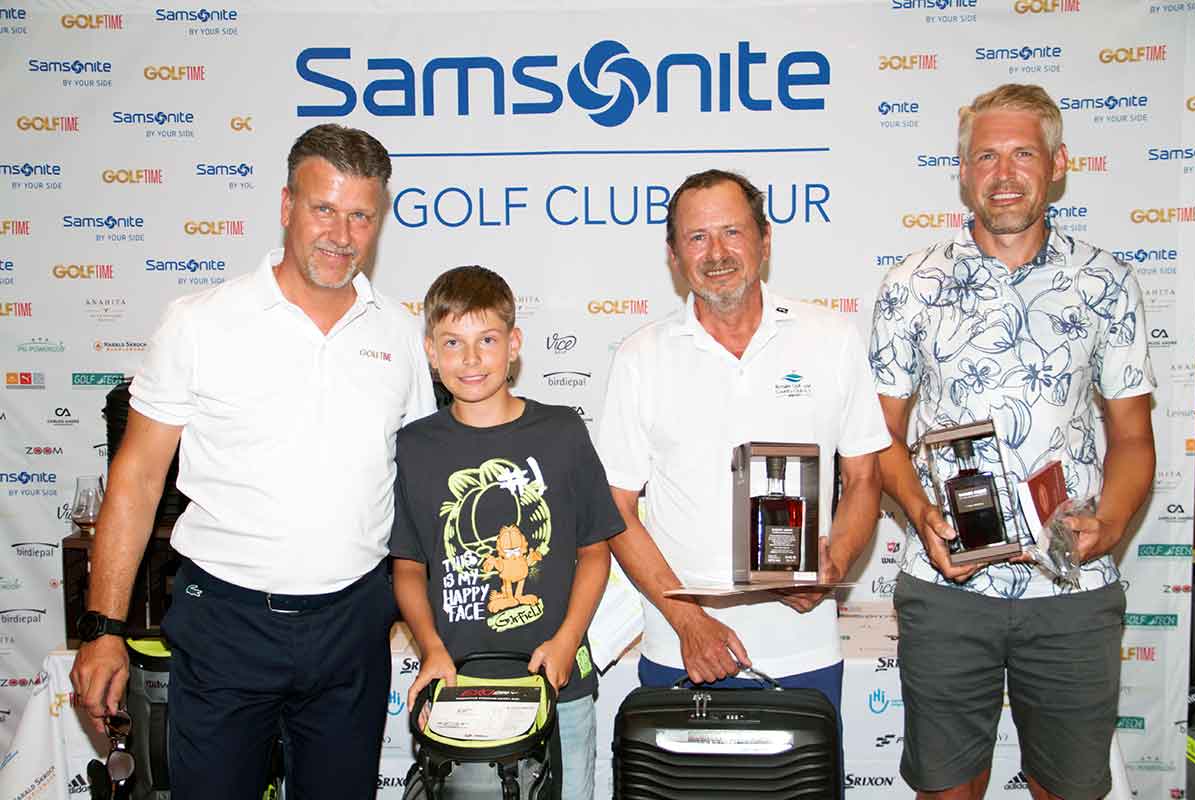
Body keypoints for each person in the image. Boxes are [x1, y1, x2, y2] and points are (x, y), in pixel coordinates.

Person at [69, 124, 436, 798]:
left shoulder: (399, 333)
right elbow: (137, 479)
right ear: (286, 205)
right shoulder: (201, 322)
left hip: (353, 627)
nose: (341, 233)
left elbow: (417, 485)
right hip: (226, 625)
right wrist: (102, 629)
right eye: (324, 208)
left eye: (360, 215)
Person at [870, 84, 1156, 800]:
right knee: (945, 788)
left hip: (1072, 586)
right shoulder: (910, 284)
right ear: (963, 172)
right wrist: (919, 515)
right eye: (986, 156)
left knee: (1072, 789)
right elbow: (878, 435)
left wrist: (1112, 525)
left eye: (1023, 154)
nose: (1004, 174)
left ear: (1058, 164)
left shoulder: (1107, 282)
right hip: (947, 584)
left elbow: (1132, 437)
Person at [595, 170, 889, 712]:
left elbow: (866, 477)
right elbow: (616, 510)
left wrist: (836, 563)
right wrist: (688, 622)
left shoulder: (833, 339)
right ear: (674, 255)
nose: (716, 253)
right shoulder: (640, 357)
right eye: (697, 237)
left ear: (765, 240)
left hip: (804, 651)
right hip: (682, 651)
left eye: (732, 232)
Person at [391, 265, 624, 800]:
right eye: (453, 342)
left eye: (487, 340)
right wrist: (429, 647)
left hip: (556, 687)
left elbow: (594, 552)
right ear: (430, 351)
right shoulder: (414, 446)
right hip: (455, 690)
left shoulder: (562, 431)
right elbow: (408, 566)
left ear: (513, 344)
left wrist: (566, 641)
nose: (470, 360)